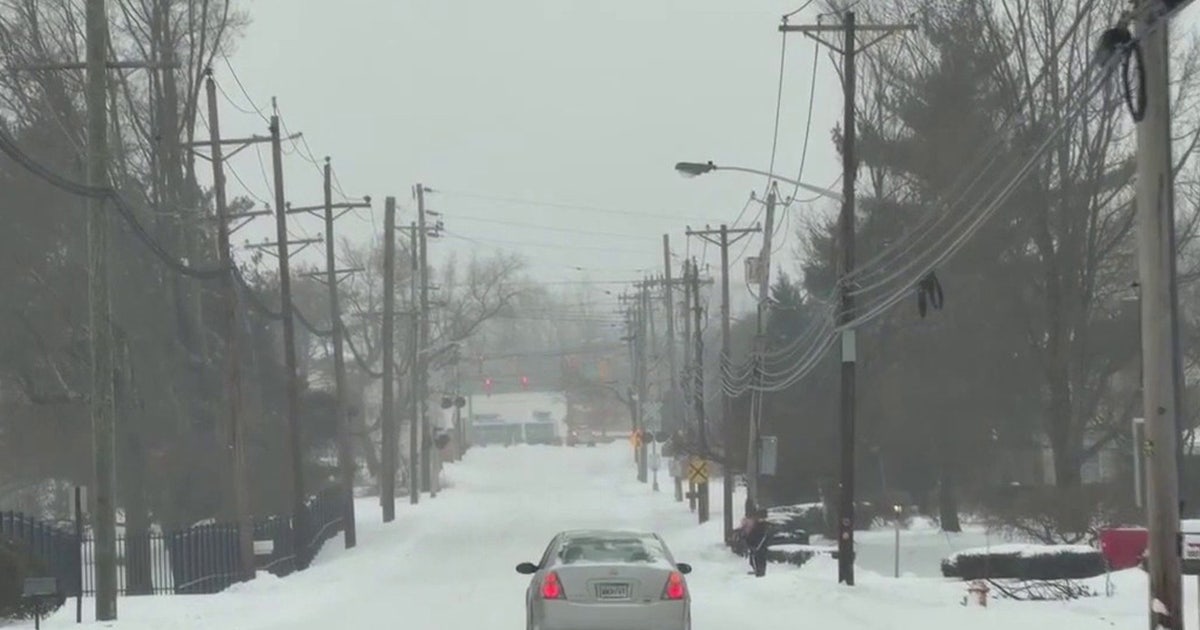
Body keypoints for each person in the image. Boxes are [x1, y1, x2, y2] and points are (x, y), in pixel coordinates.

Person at [745, 508, 771, 577]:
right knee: (754, 559)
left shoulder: (764, 526)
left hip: (760, 546)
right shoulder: (757, 525)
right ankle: (757, 570)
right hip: (755, 545)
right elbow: (753, 534)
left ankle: (760, 572)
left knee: (760, 559)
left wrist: (757, 546)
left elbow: (763, 537)